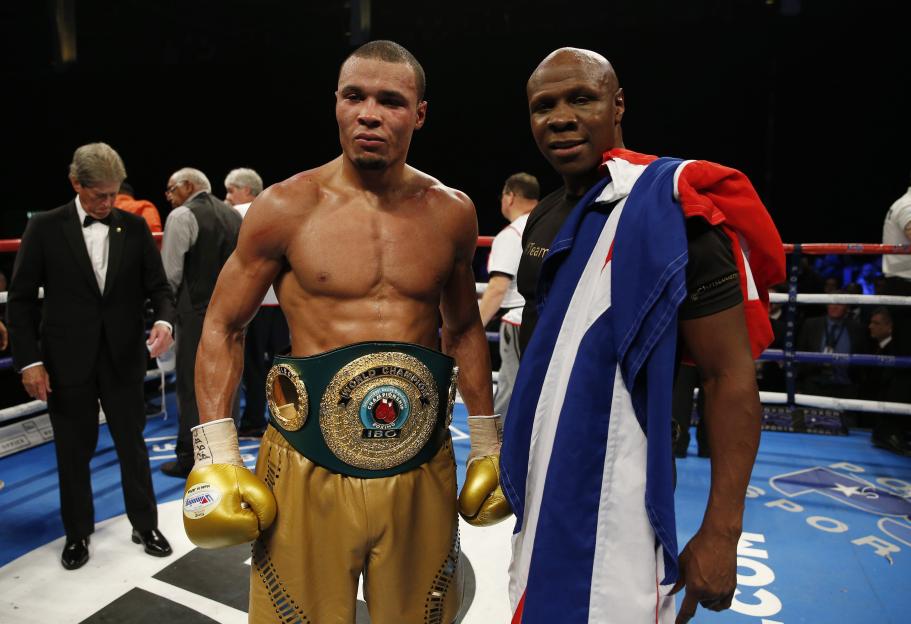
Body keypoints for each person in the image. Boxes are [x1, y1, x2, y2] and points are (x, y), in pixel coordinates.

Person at [180, 41, 502, 623]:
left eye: (390, 100)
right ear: (336, 104)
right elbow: (223, 324)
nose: (369, 113)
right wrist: (218, 455)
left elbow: (462, 329)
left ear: (419, 114)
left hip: (419, 461)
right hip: (308, 461)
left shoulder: (451, 212)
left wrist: (486, 442)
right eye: (354, 96)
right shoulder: (285, 206)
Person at [499, 48, 784, 623]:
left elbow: (729, 376)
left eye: (580, 98)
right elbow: (542, 364)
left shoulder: (676, 211)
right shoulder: (541, 222)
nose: (560, 117)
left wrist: (722, 532)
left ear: (617, 104)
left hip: (624, 490)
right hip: (541, 487)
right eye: (543, 106)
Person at [5, 142, 175, 570]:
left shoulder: (134, 229)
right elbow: (21, 300)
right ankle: (77, 533)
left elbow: (159, 289)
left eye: (113, 194)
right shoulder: (44, 227)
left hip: (122, 358)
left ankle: (145, 523)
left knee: (132, 446)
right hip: (65, 361)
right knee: (72, 451)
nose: (107, 203)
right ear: (75, 183)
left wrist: (164, 322)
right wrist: (29, 361)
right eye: (98, 194)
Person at [158, 167, 242, 478]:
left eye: (170, 188)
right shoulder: (234, 216)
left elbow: (170, 275)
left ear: (189, 185)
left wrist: (164, 316)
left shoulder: (181, 216)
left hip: (195, 313)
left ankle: (189, 458)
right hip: (234, 311)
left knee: (192, 385)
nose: (167, 196)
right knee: (228, 379)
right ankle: (225, 455)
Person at [224, 167, 290, 437]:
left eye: (231, 190)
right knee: (283, 363)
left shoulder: (234, 215)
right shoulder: (280, 211)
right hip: (284, 302)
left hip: (254, 302)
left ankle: (253, 420)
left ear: (246, 190)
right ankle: (286, 420)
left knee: (252, 364)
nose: (227, 197)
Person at [478, 172, 539, 417]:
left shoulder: (512, 235)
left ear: (510, 197)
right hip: (553, 318)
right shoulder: (553, 222)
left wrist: (472, 328)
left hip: (519, 322)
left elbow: (498, 289)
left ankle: (496, 450)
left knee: (510, 390)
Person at [796, 296, 866, 399]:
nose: (835, 307)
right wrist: (799, 385)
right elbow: (800, 354)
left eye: (839, 304)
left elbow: (862, 359)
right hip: (814, 385)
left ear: (847, 307)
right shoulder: (811, 324)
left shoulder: (857, 328)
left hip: (845, 387)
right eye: (832, 303)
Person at [862, 307, 911, 455]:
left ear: (890, 327)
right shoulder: (872, 344)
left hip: (883, 409)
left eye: (876, 323)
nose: (870, 326)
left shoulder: (895, 349)